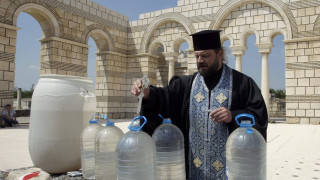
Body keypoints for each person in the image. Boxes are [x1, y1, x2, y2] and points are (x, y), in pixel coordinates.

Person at [131, 30, 268, 179]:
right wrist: (146, 93)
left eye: (205, 56)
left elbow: (259, 115)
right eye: (197, 56)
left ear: (220, 54)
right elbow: (164, 97)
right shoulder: (187, 84)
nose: (200, 60)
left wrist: (232, 116)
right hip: (194, 168)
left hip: (230, 170)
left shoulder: (242, 83)